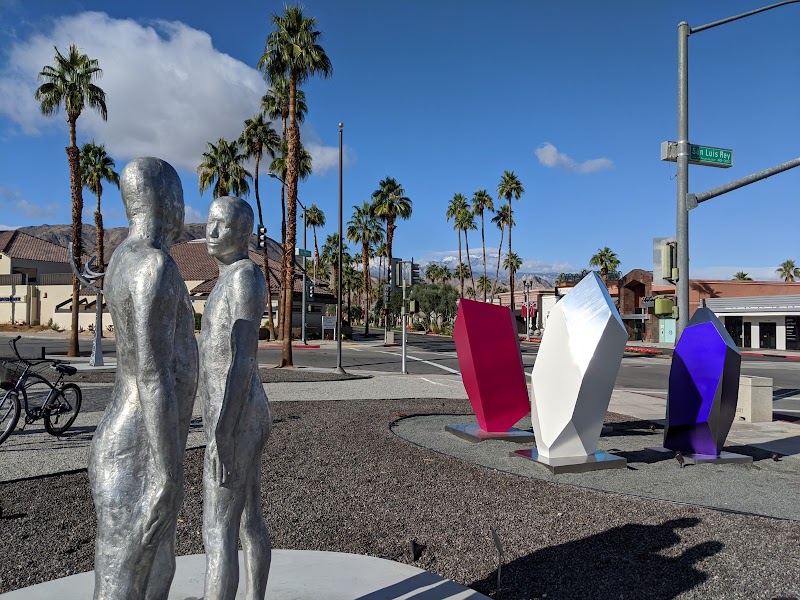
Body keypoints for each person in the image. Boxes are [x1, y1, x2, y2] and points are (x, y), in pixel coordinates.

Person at [88, 157, 198, 599]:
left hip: (137, 437)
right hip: (138, 446)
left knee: (156, 566)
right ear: (168, 200)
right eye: (181, 196)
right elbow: (153, 374)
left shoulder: (122, 258)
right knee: (124, 573)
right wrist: (168, 474)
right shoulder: (153, 266)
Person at [199, 197, 271, 600]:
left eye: (222, 225)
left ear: (243, 232)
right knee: (247, 520)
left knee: (218, 529)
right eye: (210, 222)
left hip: (238, 415)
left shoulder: (243, 277)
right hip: (237, 414)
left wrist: (222, 433)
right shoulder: (229, 277)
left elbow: (243, 358)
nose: (211, 233)